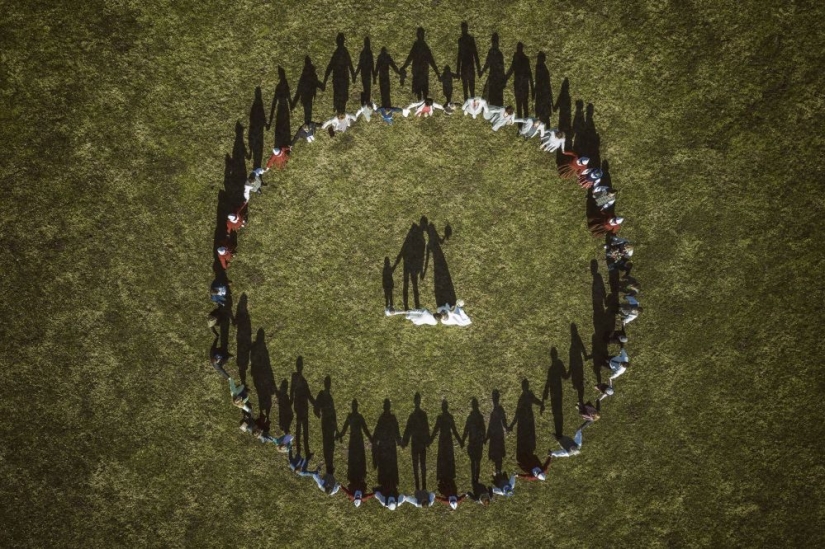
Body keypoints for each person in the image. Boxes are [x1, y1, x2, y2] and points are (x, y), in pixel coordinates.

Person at [337, 399, 373, 487]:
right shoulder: (359, 417)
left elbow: (345, 429)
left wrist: (340, 435)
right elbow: (365, 429)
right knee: (359, 457)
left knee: (353, 457)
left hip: (353, 439)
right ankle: (360, 474)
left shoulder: (350, 417)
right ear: (357, 407)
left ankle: (354, 474)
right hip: (358, 439)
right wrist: (370, 438)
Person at [400, 27, 440, 100]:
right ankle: (422, 104)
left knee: (421, 91)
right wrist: (437, 72)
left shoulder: (420, 46)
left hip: (420, 72)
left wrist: (404, 67)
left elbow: (411, 57)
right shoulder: (422, 46)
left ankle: (421, 104)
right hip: (420, 72)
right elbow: (431, 60)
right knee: (421, 91)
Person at [401, 392, 430, 491]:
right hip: (420, 443)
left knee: (417, 464)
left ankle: (419, 485)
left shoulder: (412, 416)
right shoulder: (422, 415)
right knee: (422, 464)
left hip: (416, 443)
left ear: (415, 402)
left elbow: (408, 430)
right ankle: (423, 485)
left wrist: (405, 442)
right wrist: (427, 440)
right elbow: (426, 428)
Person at [430, 399, 463, 485]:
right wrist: (460, 441)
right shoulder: (449, 417)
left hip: (443, 440)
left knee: (442, 457)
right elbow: (454, 431)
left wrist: (430, 440)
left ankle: (442, 475)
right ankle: (449, 475)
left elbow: (435, 430)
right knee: (448, 457)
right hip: (448, 439)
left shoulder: (440, 417)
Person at [324, 33, 357, 114]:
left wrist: (325, 79)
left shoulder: (337, 52)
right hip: (343, 77)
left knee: (338, 93)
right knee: (343, 94)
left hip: (338, 77)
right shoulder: (344, 51)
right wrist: (353, 75)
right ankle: (340, 109)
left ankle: (337, 107)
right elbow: (350, 63)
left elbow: (330, 66)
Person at [290, 356, 316, 457]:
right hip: (303, 407)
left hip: (298, 406)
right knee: (304, 430)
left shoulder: (294, 376)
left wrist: (291, 400)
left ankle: (299, 452)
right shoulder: (302, 380)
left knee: (299, 428)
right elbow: (309, 395)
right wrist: (315, 405)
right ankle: (305, 452)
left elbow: (292, 390)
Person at [313, 375, 338, 476]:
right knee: (328, 441)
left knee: (329, 441)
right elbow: (316, 407)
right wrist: (318, 413)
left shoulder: (323, 395)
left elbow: (317, 407)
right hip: (327, 420)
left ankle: (329, 465)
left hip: (329, 421)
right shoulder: (323, 395)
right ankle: (329, 465)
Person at [291, 56, 325, 124]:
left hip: (305, 96)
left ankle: (308, 123)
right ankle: (308, 124)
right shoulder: (311, 73)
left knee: (307, 112)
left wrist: (294, 103)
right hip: (308, 95)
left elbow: (299, 89)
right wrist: (322, 86)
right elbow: (315, 82)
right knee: (308, 112)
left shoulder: (304, 74)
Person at [504, 42, 534, 119]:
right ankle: (521, 125)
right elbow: (512, 69)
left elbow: (529, 73)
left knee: (524, 105)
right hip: (520, 85)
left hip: (522, 85)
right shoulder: (518, 58)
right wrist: (505, 78)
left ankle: (525, 124)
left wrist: (532, 88)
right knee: (520, 106)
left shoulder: (523, 59)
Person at [461, 397, 486, 485]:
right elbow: (483, 429)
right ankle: (476, 478)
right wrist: (484, 438)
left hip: (473, 442)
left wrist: (463, 440)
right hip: (477, 442)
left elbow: (466, 430)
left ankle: (474, 478)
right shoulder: (479, 417)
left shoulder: (471, 417)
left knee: (474, 461)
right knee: (477, 461)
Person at [456, 22, 482, 101]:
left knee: (470, 87)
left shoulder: (468, 39)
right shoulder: (462, 40)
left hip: (468, 66)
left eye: (464, 28)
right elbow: (460, 55)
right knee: (466, 88)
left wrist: (478, 69)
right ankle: (468, 105)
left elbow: (475, 54)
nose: (464, 29)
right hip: (466, 66)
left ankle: (470, 105)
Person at [486, 389, 509, 475]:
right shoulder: (498, 409)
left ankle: (498, 470)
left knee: (498, 452)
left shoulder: (499, 409)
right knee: (497, 452)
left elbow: (503, 420)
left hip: (497, 433)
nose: (494, 400)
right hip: (495, 433)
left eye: (495, 398)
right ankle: (498, 470)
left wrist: (506, 427)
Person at [479, 33, 506, 106]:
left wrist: (503, 79)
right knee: (491, 95)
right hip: (493, 77)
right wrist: (483, 71)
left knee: (495, 96)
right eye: (493, 42)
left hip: (496, 78)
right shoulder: (492, 52)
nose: (494, 43)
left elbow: (501, 67)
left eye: (495, 42)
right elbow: (488, 63)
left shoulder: (498, 54)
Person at [354, 37, 376, 105]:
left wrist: (356, 74)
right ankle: (366, 100)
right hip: (367, 72)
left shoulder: (363, 53)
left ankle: (365, 100)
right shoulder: (369, 52)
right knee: (367, 88)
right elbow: (372, 64)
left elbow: (360, 65)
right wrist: (374, 76)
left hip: (363, 72)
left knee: (366, 87)